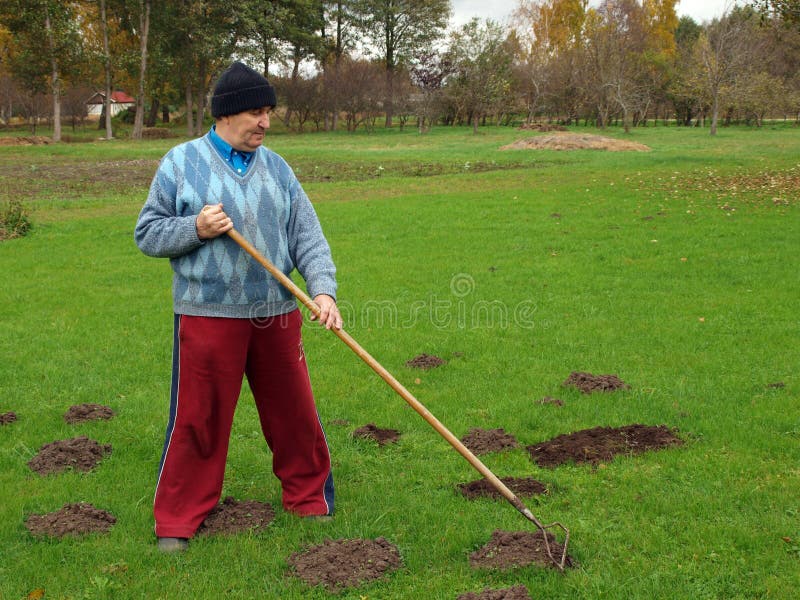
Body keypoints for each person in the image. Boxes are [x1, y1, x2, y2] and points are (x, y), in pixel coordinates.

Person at [134, 61, 341, 553]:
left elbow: (307, 237)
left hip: (277, 311)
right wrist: (195, 229)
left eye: (268, 111)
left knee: (295, 412)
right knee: (198, 418)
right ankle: (178, 521)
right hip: (207, 315)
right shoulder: (181, 163)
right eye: (255, 112)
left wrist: (324, 290)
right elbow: (147, 233)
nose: (265, 122)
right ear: (226, 114)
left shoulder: (279, 168)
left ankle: (309, 498)